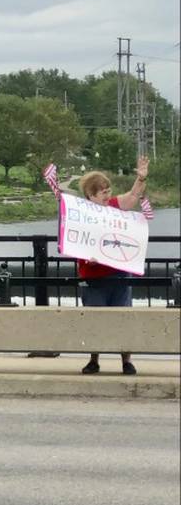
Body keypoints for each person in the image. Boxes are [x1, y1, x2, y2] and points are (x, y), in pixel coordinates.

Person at [77, 156, 149, 376]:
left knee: (123, 317)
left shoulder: (115, 206)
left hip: (118, 274)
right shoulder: (80, 214)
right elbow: (74, 242)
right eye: (103, 192)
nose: (108, 195)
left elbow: (133, 196)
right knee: (95, 320)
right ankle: (94, 359)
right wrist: (86, 256)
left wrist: (141, 178)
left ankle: (126, 361)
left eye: (109, 190)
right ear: (91, 195)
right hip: (93, 276)